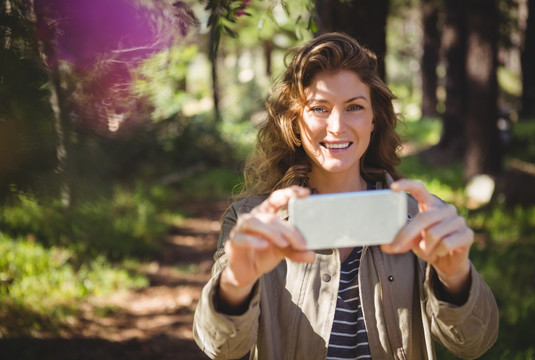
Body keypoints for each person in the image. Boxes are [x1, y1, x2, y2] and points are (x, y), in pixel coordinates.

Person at [193, 32, 498, 360]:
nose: (337, 126)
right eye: (319, 108)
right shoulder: (251, 222)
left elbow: (474, 343)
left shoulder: (420, 218)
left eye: (354, 107)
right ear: (295, 123)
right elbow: (221, 349)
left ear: (373, 119)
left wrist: (456, 277)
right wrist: (236, 283)